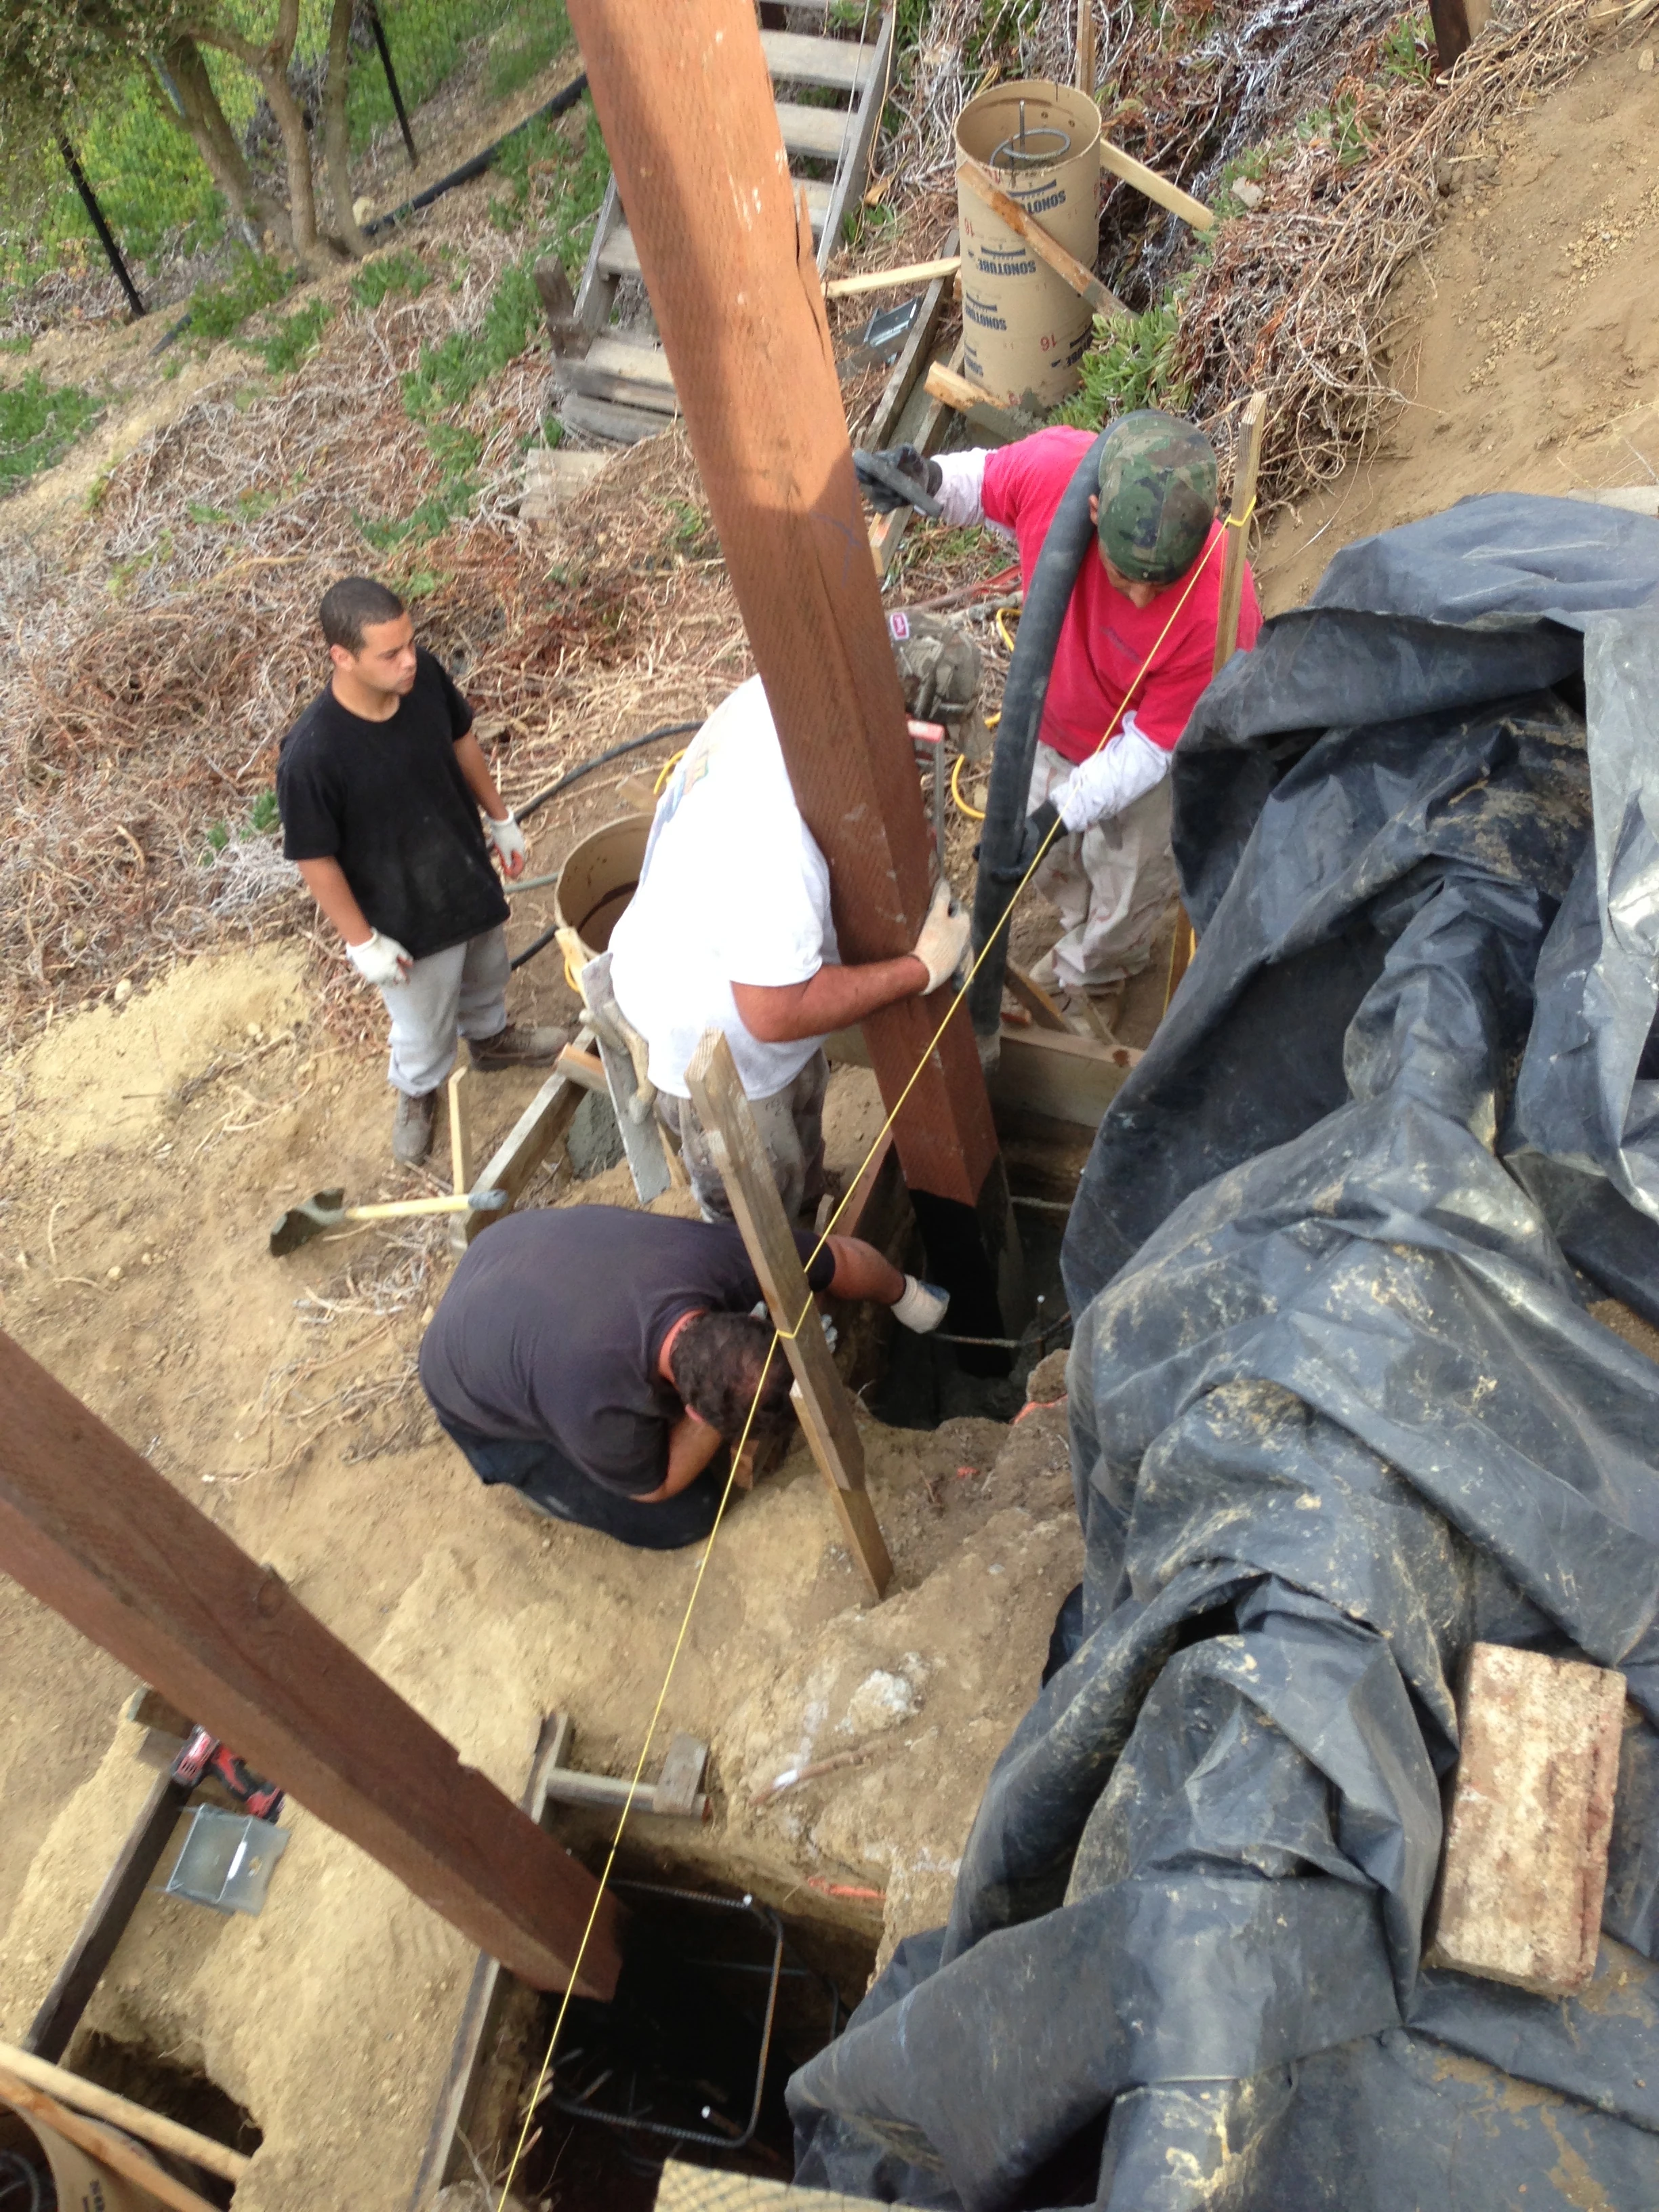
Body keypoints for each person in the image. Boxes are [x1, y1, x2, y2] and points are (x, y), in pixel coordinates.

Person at [855, 410, 1262, 1029]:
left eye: (1161, 584)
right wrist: (929, 479)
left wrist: (1059, 814)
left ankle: (1099, 971)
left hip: (1150, 758)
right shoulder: (1056, 473)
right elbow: (986, 482)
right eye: (1128, 578)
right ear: (1095, 514)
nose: (1143, 600)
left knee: (1130, 877)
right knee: (1048, 862)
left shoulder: (1221, 609)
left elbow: (1147, 753)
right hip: (1051, 727)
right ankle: (1078, 926)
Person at [604, 675, 972, 1223]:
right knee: (758, 1210)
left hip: (690, 952)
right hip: (713, 1039)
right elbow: (774, 1013)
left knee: (800, 1107)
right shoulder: (779, 846)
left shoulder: (788, 693)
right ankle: (787, 1277)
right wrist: (919, 970)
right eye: (918, 757)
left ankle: (806, 1192)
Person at [418, 1205, 948, 1550]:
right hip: (472, 1389)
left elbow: (841, 1259)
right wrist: (715, 1419)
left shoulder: (723, 1261)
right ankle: (534, 1481)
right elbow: (657, 1484)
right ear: (698, 1411)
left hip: (506, 1254)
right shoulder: (601, 1409)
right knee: (686, 1516)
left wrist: (906, 1295)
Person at [277, 577, 564, 1166]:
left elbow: (462, 741)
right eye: (390, 654)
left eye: (411, 643)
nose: (409, 661)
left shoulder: (424, 677)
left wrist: (500, 818)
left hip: (463, 870)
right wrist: (363, 943)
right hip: (403, 915)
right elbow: (314, 856)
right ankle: (417, 1089)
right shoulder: (313, 755)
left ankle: (490, 1040)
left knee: (487, 968)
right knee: (423, 1023)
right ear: (342, 657)